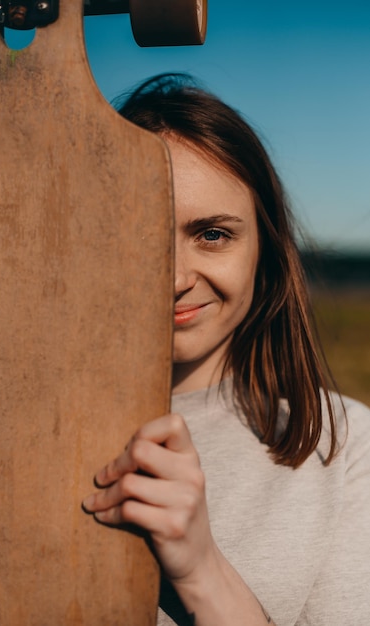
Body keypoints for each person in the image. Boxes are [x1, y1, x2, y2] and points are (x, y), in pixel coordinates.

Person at [82, 74, 370, 625]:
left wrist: (202, 572)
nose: (174, 278)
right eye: (142, 230)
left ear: (264, 250)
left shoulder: (346, 447)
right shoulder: (10, 431)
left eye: (212, 234)